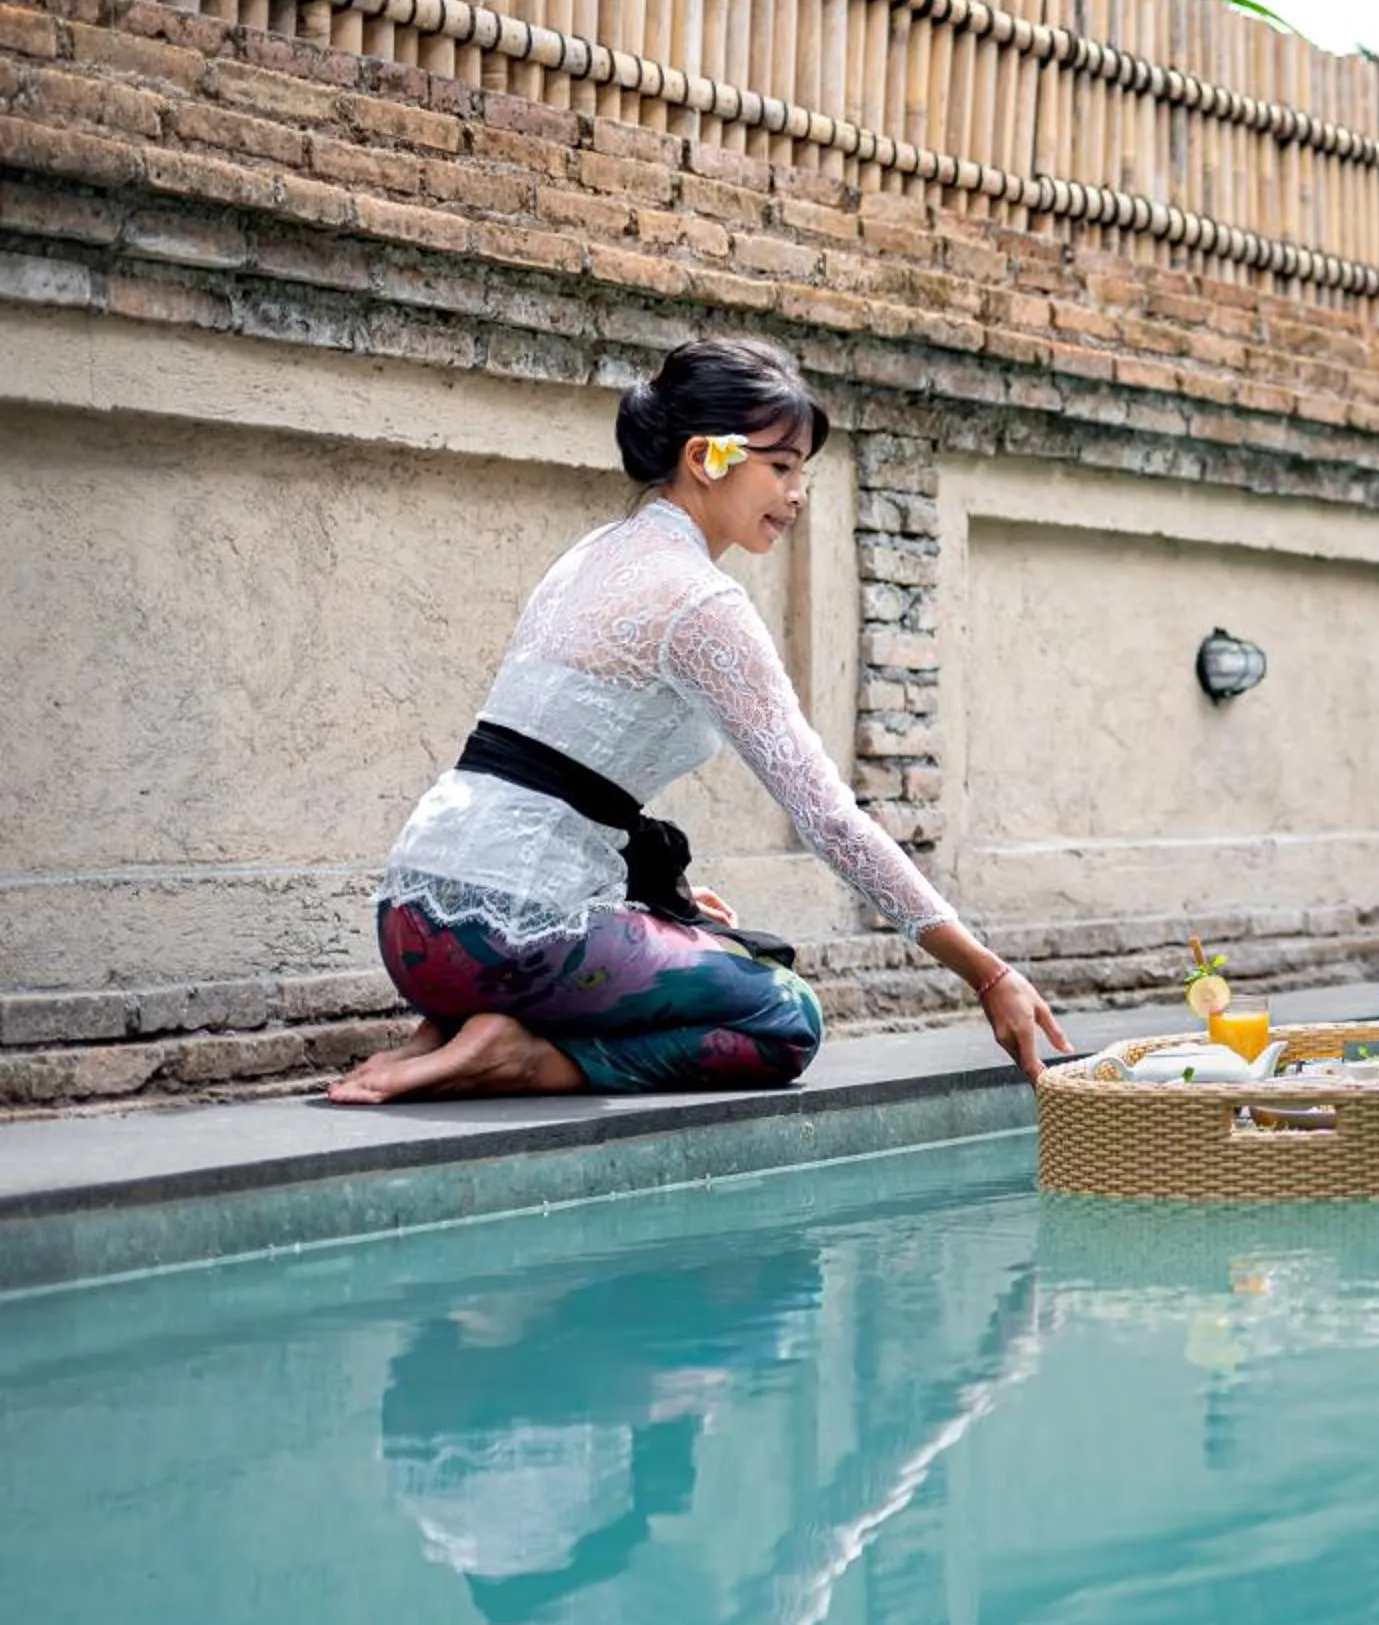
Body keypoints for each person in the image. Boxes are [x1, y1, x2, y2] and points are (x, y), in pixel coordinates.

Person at [332, 336, 1066, 1103]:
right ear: (703, 458)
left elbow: (549, 774)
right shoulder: (702, 602)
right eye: (779, 466)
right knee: (784, 1015)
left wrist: (644, 906)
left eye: (802, 472)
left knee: (708, 937)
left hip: (412, 923)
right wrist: (988, 974)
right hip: (512, 936)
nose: (797, 494)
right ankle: (517, 1056)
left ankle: (454, 1029)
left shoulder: (591, 553)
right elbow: (830, 820)